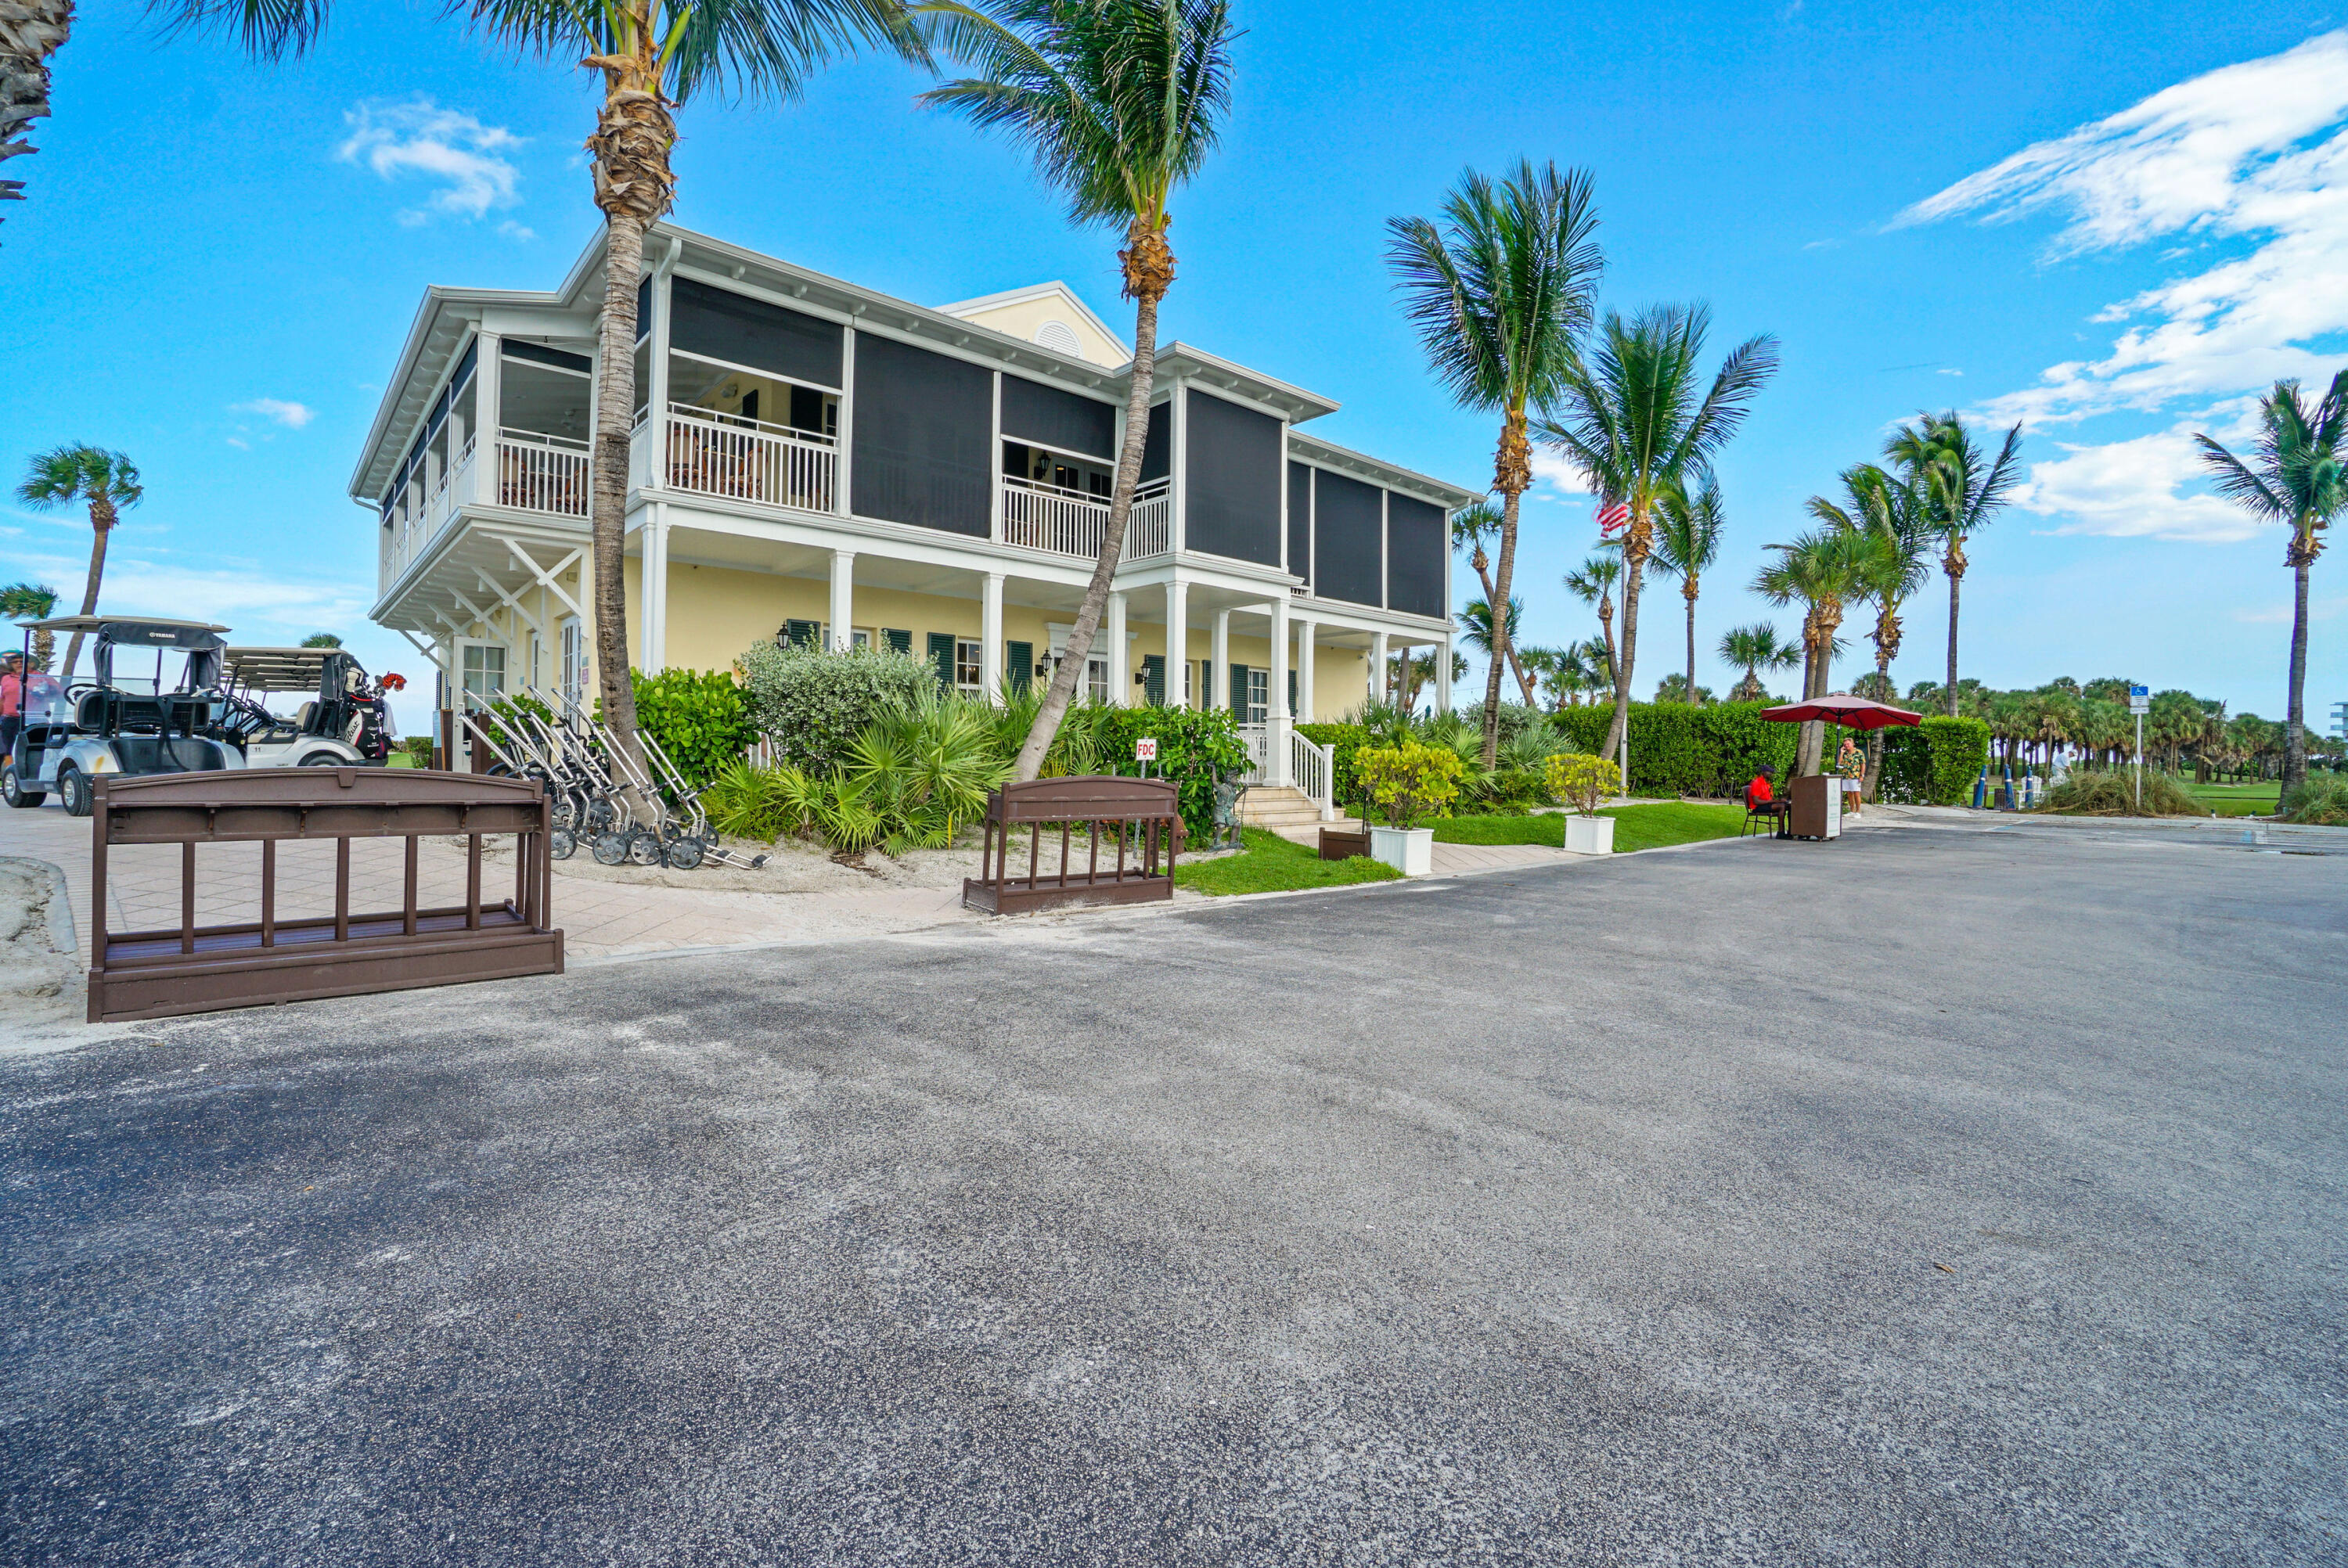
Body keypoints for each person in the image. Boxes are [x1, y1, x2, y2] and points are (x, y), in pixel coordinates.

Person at [1745, 764, 1788, 833]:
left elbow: (1768, 798)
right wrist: (1773, 801)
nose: (1771, 774)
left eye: (1771, 772)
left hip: (1764, 805)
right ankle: (1781, 833)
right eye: (1769, 772)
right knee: (1782, 806)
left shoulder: (1765, 783)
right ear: (1763, 772)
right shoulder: (1757, 783)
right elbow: (1756, 801)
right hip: (1757, 807)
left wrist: (1778, 801)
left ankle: (1792, 831)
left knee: (1787, 805)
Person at [1835, 735, 1865, 816]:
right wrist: (1841, 752)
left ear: (1852, 743)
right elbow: (1840, 763)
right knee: (1849, 793)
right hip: (1846, 776)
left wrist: (1862, 775)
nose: (1846, 746)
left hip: (1856, 776)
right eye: (1845, 745)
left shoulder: (1859, 752)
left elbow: (1863, 764)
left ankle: (1858, 812)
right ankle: (1852, 811)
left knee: (1856, 793)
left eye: (1848, 744)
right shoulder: (1845, 753)